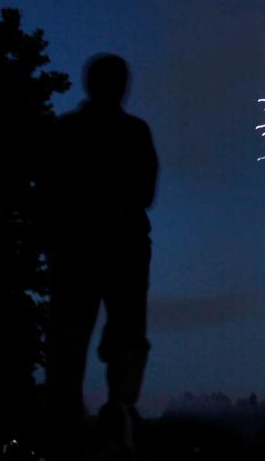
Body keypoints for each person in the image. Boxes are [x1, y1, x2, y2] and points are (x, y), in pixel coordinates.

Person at [42, 54, 158, 455]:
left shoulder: (66, 130)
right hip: (122, 249)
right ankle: (117, 419)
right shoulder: (134, 132)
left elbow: (49, 191)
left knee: (68, 341)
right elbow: (146, 191)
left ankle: (68, 423)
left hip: (77, 250)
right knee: (124, 337)